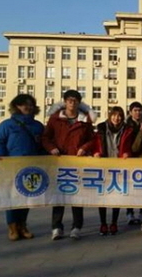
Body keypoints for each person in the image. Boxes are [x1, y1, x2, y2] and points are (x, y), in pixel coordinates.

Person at [42, 90, 100, 240]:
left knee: (77, 196)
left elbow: (92, 139)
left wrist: (84, 148)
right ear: (65, 102)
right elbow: (45, 137)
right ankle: (56, 227)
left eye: (75, 101)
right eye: (69, 100)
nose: (72, 103)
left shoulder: (84, 120)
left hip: (77, 163)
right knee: (58, 196)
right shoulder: (55, 119)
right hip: (59, 162)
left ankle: (77, 227)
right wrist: (51, 148)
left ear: (79, 103)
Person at [0, 94, 45, 241]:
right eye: (23, 104)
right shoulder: (7, 125)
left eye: (30, 104)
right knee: (12, 197)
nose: (27, 107)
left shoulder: (38, 126)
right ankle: (12, 227)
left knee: (26, 197)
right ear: (16, 107)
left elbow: (43, 146)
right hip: (11, 166)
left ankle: (23, 225)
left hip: (31, 166)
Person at [96, 106, 135, 236]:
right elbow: (95, 143)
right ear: (110, 115)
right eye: (114, 115)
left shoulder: (128, 129)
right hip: (103, 165)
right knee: (102, 196)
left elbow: (131, 146)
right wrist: (96, 152)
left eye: (119, 116)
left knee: (116, 195)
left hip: (119, 167)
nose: (116, 118)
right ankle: (103, 223)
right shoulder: (101, 127)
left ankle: (114, 222)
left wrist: (127, 153)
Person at [125, 101, 142, 225]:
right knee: (130, 187)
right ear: (130, 112)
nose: (137, 113)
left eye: (139, 110)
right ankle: (129, 212)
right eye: (135, 110)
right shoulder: (126, 125)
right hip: (130, 158)